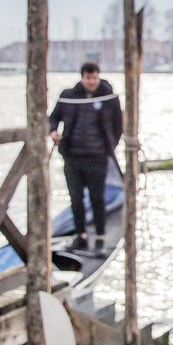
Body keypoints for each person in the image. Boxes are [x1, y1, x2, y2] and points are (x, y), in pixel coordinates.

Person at [47, 61, 122, 251]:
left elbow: (118, 124)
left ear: (98, 76)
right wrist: (53, 132)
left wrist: (110, 146)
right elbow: (53, 117)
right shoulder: (68, 96)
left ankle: (100, 234)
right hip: (72, 157)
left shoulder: (109, 97)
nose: (91, 81)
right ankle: (80, 235)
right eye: (88, 78)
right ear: (82, 77)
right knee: (76, 198)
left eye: (94, 77)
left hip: (98, 157)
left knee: (97, 197)